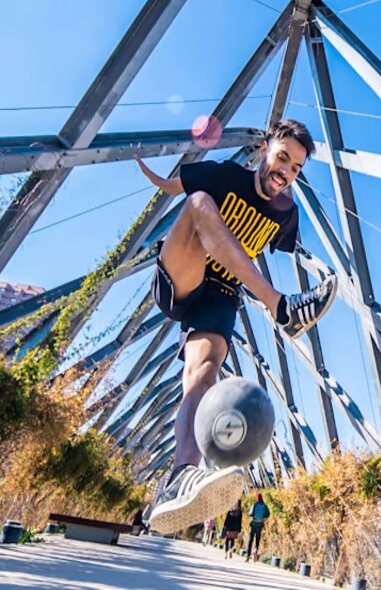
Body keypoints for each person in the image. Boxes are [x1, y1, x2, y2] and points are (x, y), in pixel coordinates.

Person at [138, 119, 337, 535]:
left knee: (203, 372)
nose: (286, 172)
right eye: (282, 157)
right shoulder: (227, 175)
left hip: (222, 294)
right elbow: (174, 187)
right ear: (265, 149)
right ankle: (279, 307)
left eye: (296, 168)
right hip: (183, 272)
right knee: (197, 206)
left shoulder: (287, 215)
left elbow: (293, 249)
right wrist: (142, 163)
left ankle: (180, 476)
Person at [245, 493, 270, 562]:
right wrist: (263, 516)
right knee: (257, 539)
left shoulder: (255, 505)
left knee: (251, 540)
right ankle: (255, 550)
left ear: (257, 498)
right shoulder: (264, 506)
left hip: (254, 523)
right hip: (260, 524)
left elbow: (250, 513)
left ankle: (248, 556)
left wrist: (254, 514)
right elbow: (268, 514)